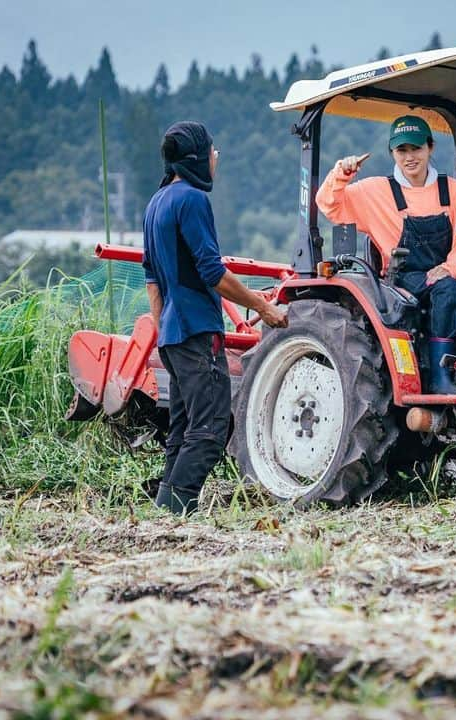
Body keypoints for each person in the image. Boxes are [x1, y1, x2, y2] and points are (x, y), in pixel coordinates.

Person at [142, 121, 287, 515]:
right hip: (196, 330)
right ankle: (174, 510)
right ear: (196, 159)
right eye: (212, 149)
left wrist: (163, 330)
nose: (216, 156)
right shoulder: (191, 200)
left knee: (183, 428)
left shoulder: (156, 202)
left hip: (172, 334)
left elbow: (151, 277)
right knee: (211, 429)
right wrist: (262, 307)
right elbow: (213, 272)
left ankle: (164, 512)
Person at [315, 115, 456, 393]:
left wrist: (451, 268)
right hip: (404, 279)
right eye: (402, 150)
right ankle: (440, 377)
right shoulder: (374, 191)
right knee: (446, 291)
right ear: (392, 153)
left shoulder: (452, 190)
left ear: (430, 148)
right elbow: (329, 205)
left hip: (448, 274)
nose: (410, 157)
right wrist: (342, 173)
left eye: (416, 148)